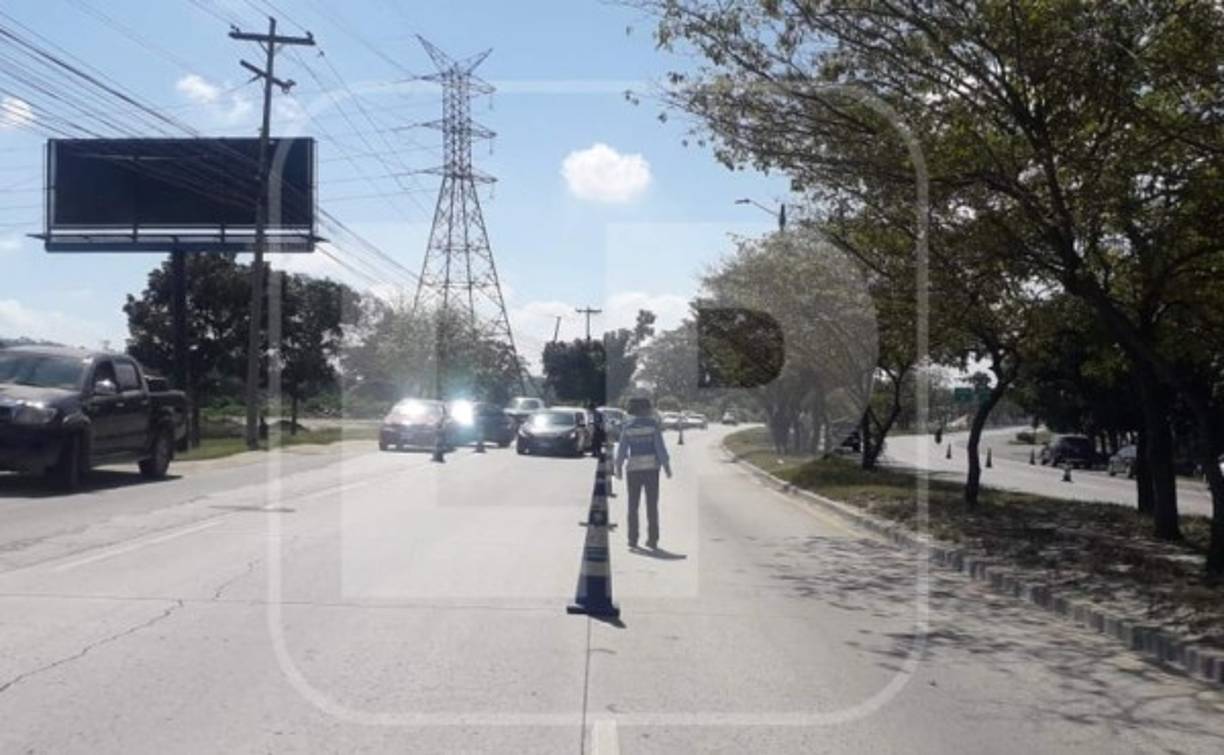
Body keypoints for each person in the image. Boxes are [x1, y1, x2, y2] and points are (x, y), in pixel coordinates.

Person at [615, 396, 672, 550]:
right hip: (651, 470)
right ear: (644, 409)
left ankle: (632, 539)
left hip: (633, 470)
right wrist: (666, 466)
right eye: (649, 407)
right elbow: (660, 447)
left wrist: (618, 467)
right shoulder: (653, 426)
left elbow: (622, 449)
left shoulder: (628, 427)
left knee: (632, 506)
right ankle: (652, 540)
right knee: (652, 505)